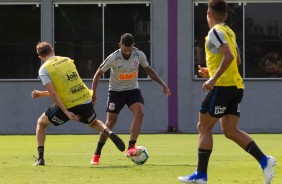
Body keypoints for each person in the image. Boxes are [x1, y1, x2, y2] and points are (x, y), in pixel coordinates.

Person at [178, 0, 276, 183]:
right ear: (225, 15)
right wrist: (212, 72)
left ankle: (201, 175)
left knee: (203, 127)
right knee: (230, 130)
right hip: (236, 86)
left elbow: (230, 56)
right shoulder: (229, 32)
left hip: (222, 87)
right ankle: (265, 160)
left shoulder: (215, 32)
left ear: (208, 13)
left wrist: (213, 79)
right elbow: (236, 60)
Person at [31, 42, 125, 166]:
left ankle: (40, 158)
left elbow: (54, 93)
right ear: (52, 49)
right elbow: (66, 88)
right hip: (85, 98)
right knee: (93, 122)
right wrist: (42, 94)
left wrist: (66, 112)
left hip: (70, 104)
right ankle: (108, 131)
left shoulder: (44, 69)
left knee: (41, 123)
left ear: (40, 57)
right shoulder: (67, 60)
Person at [90, 33, 171, 165]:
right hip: (115, 92)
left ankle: (131, 147)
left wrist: (162, 84)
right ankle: (97, 153)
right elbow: (98, 74)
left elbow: (149, 70)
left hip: (133, 90)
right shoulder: (113, 58)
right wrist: (94, 94)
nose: (127, 53)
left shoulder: (139, 55)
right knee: (110, 123)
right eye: (124, 50)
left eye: (129, 50)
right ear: (119, 46)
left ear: (134, 46)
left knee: (140, 112)